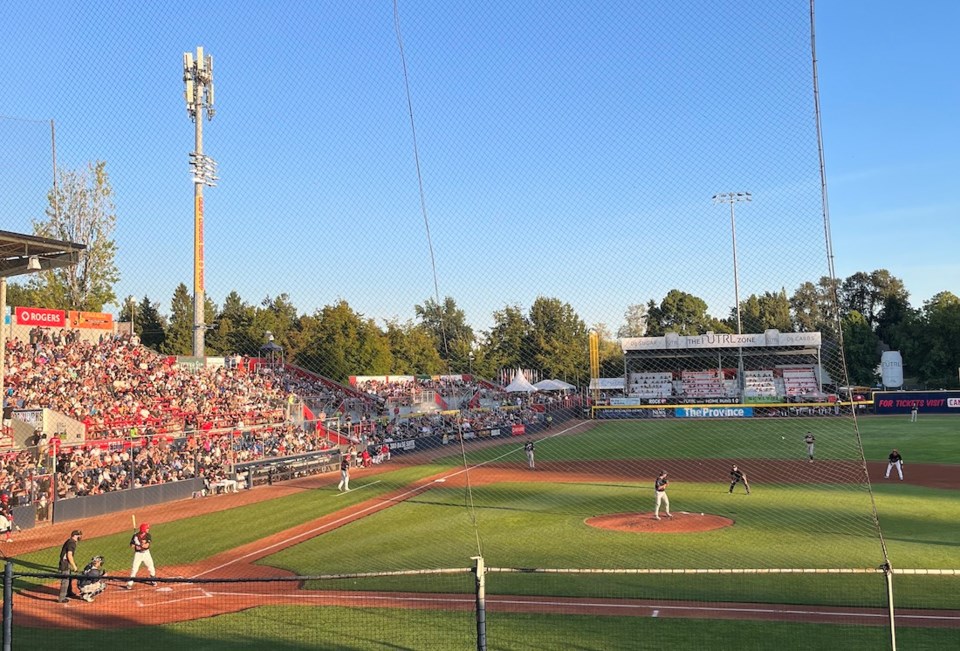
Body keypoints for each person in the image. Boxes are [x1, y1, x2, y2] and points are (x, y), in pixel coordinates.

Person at [125, 522, 157, 589]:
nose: (148, 529)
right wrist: (135, 543)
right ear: (143, 529)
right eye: (147, 528)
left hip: (146, 554)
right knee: (134, 569)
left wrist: (141, 544)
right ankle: (129, 583)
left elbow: (146, 545)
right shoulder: (135, 536)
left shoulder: (148, 535)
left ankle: (153, 579)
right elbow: (131, 545)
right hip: (138, 555)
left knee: (151, 567)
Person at [57, 530, 82, 603]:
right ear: (75, 535)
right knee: (65, 580)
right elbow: (69, 555)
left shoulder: (70, 541)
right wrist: (74, 566)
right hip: (65, 563)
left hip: (66, 562)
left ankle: (69, 592)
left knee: (69, 578)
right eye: (79, 535)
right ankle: (61, 598)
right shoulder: (71, 543)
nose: (80, 537)